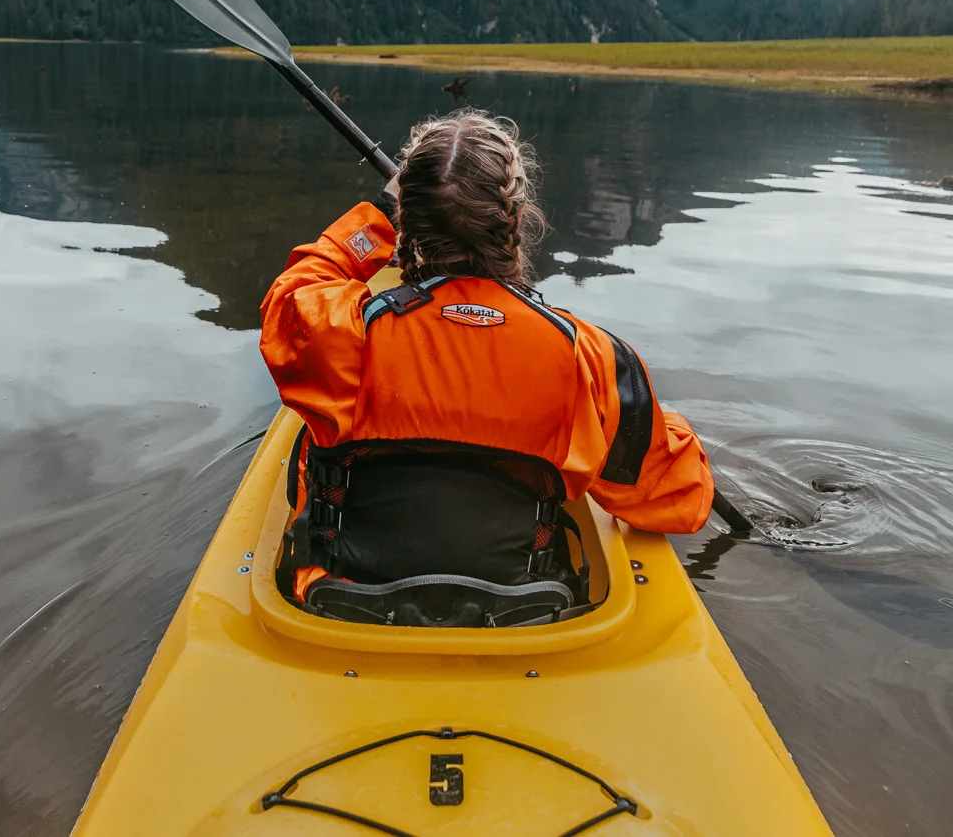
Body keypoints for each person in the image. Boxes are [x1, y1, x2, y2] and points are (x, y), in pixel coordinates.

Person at [260, 109, 713, 609]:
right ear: (516, 219)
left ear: (407, 222)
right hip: (520, 608)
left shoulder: (337, 333)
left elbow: (297, 286)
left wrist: (377, 218)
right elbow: (679, 503)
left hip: (344, 598)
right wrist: (650, 421)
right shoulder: (590, 357)